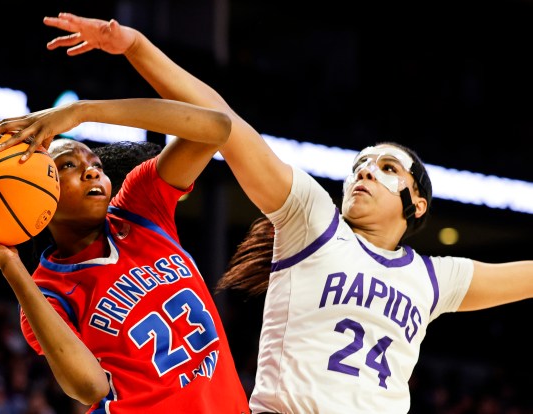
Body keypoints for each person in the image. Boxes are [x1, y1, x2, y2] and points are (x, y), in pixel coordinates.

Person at [35, 12, 533, 414]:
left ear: (417, 203)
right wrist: (137, 48)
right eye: (359, 165)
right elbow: (222, 122)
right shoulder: (313, 218)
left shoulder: (433, 278)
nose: (364, 172)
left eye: (385, 167)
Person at [0, 97, 251, 413]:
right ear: (39, 190)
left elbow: (216, 127)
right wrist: (9, 263)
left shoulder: (140, 208)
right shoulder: (48, 291)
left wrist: (80, 112)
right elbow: (89, 387)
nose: (91, 172)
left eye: (97, 166)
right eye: (69, 165)